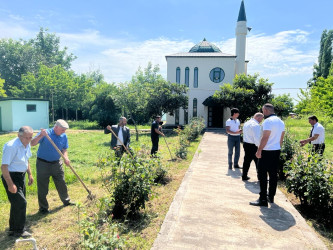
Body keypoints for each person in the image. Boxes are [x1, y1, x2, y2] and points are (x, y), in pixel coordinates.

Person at [30, 119, 74, 214]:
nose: (64, 132)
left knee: (61, 183)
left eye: (65, 130)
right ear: (56, 127)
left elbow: (64, 149)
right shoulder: (45, 133)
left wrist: (66, 158)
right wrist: (41, 135)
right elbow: (32, 143)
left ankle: (66, 201)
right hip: (43, 164)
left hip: (57, 163)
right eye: (62, 129)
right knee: (43, 186)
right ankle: (43, 208)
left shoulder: (63, 136)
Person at [1, 126, 34, 237]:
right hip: (11, 176)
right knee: (21, 203)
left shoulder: (26, 144)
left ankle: (13, 229)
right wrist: (10, 184)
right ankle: (19, 230)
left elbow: (26, 159)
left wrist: (29, 174)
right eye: (27, 138)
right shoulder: (11, 146)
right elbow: (4, 167)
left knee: (17, 203)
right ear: (19, 136)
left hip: (21, 176)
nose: (29, 140)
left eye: (31, 137)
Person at [250, 104, 285, 206]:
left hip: (266, 151)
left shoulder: (268, 122)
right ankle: (271, 197)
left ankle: (263, 199)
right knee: (273, 175)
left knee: (262, 175)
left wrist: (259, 150)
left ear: (265, 110)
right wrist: (278, 148)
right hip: (276, 150)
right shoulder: (281, 121)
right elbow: (281, 138)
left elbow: (265, 137)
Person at [241, 113, 264, 181]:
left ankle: (244, 175)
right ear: (258, 117)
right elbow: (257, 138)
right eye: (261, 119)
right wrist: (259, 148)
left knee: (246, 161)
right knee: (258, 161)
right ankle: (260, 177)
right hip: (253, 145)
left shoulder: (247, 123)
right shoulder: (255, 125)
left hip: (246, 143)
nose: (261, 121)